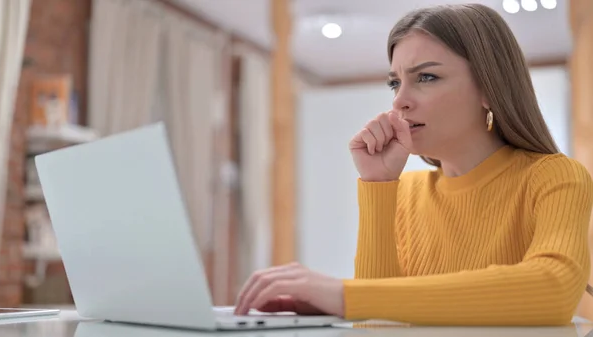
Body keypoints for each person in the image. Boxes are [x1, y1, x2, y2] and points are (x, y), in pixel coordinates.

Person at [233, 3, 593, 326]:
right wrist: (377, 185)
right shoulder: (404, 192)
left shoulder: (555, 177)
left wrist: (344, 296)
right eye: (395, 83)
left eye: (426, 77)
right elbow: (375, 324)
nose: (400, 101)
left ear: (490, 88)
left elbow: (555, 289)